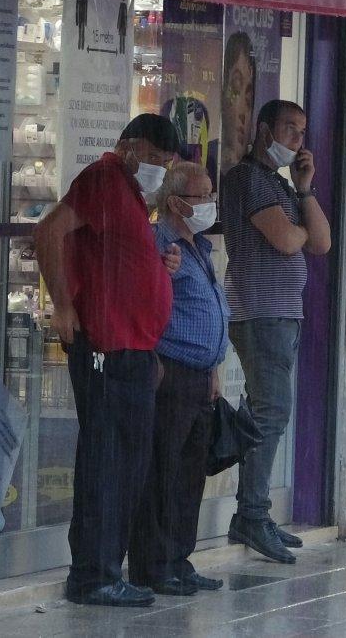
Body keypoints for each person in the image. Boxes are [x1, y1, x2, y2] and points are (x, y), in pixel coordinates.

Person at [33, 114, 182, 607]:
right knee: (108, 460)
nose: (160, 170)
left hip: (133, 348)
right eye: (156, 160)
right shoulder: (102, 178)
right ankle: (93, 574)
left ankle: (107, 569)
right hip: (105, 347)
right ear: (131, 147)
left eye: (167, 163)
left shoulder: (132, 194)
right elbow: (49, 232)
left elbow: (119, 264)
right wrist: (63, 304)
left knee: (128, 463)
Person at [221, 100, 331, 564]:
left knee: (266, 411)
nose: (296, 140)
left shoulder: (281, 185)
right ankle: (251, 513)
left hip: (283, 313)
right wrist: (296, 231)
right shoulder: (247, 179)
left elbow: (321, 241)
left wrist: (304, 192)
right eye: (289, 129)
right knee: (271, 413)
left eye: (302, 132)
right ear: (265, 129)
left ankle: (255, 513)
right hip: (259, 312)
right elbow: (287, 240)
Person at [129, 162, 229, 597]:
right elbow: (145, 303)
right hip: (171, 372)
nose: (209, 203)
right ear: (175, 203)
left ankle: (179, 559)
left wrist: (214, 369)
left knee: (189, 473)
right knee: (162, 473)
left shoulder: (199, 248)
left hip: (200, 375)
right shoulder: (159, 246)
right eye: (202, 196)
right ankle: (153, 565)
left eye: (210, 194)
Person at [220, 32, 256, 176]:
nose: (243, 113)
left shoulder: (254, 172)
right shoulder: (203, 159)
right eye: (235, 91)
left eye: (248, 99)